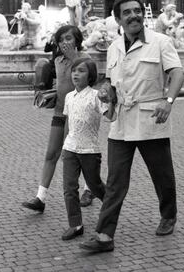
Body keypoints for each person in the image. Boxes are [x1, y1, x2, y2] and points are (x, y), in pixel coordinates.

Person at [79, 0, 184, 253]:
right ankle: (105, 235)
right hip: (122, 121)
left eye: (137, 11)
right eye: (127, 13)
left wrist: (168, 101)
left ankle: (168, 215)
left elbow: (177, 73)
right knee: (116, 181)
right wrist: (106, 91)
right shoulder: (114, 46)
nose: (134, 16)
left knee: (162, 176)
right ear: (118, 19)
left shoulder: (161, 42)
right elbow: (110, 81)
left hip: (151, 117)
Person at [22, 25, 95, 213]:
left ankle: (89, 189)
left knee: (80, 155)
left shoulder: (85, 59)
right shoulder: (58, 60)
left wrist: (73, 57)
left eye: (69, 38)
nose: (64, 43)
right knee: (51, 154)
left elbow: (91, 83)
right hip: (59, 112)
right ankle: (40, 198)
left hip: (79, 114)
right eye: (61, 39)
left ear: (77, 40)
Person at [61, 58, 116, 241]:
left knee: (94, 185)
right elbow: (69, 124)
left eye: (81, 71)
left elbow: (110, 116)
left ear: (90, 75)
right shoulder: (69, 97)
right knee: (69, 187)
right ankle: (75, 224)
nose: (76, 74)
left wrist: (111, 101)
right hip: (70, 149)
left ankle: (111, 207)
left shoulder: (95, 96)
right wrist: (64, 146)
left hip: (89, 151)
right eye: (74, 70)